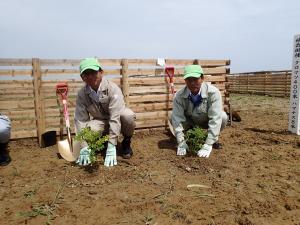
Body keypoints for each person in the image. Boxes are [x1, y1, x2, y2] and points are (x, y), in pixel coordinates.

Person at [74, 58, 136, 167]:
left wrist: (112, 145)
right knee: (89, 130)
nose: (90, 77)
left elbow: (115, 117)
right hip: (100, 121)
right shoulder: (82, 94)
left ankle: (126, 142)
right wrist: (83, 146)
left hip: (118, 118)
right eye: (86, 74)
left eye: (93, 72)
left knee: (128, 115)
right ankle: (100, 143)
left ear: (101, 72)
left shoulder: (112, 89)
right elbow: (80, 120)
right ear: (82, 77)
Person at [171, 65, 228, 158]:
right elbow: (177, 119)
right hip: (190, 123)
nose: (192, 83)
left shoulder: (213, 93)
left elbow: (215, 118)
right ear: (185, 81)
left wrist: (208, 144)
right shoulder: (179, 96)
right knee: (172, 116)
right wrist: (181, 141)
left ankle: (213, 139)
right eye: (189, 80)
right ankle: (188, 138)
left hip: (206, 121)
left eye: (195, 79)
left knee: (223, 116)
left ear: (202, 78)